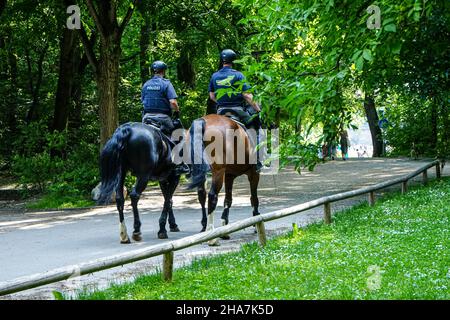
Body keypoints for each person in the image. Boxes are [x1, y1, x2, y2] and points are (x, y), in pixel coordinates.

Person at [208, 49, 264, 171]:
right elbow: (247, 96)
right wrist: (258, 109)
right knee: (255, 129)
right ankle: (257, 160)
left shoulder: (215, 76)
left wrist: (221, 102)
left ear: (221, 60)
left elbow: (212, 96)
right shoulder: (238, 75)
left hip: (221, 111)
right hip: (237, 110)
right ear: (233, 60)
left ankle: (206, 162)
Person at [141, 60, 189, 174]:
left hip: (147, 118)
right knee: (179, 136)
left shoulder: (146, 84)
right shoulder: (166, 84)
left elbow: (143, 101)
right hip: (162, 118)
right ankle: (180, 164)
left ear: (153, 71)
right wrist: (177, 110)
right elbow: (173, 102)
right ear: (164, 71)